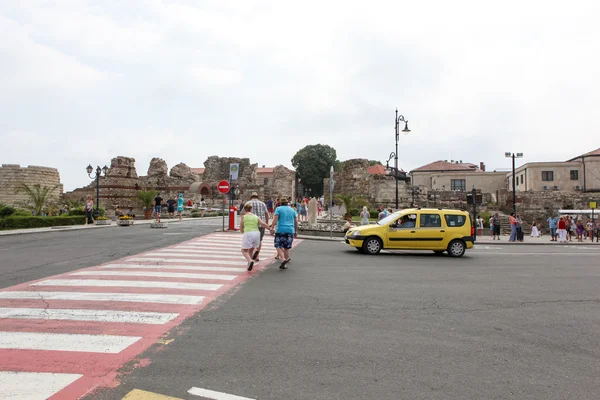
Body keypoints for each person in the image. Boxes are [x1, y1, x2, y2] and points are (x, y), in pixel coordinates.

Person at [240, 203, 272, 271]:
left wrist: (243, 232)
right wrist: (270, 229)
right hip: (257, 233)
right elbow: (263, 224)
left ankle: (250, 261)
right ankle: (249, 264)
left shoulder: (244, 217)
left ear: (245, 210)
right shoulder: (255, 216)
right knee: (251, 249)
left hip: (248, 233)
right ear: (251, 209)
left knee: (244, 250)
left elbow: (241, 227)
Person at [270, 197, 298, 269]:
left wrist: (272, 228)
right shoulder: (292, 210)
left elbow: (275, 220)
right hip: (290, 230)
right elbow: (296, 221)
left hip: (281, 229)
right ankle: (284, 263)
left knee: (277, 245)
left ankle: (282, 259)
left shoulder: (278, 209)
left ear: (280, 203)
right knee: (286, 247)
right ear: (287, 203)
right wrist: (296, 231)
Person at [243, 192, 269, 262]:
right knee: (259, 240)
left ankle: (252, 255)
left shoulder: (247, 203)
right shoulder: (263, 204)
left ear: (251, 197)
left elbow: (243, 214)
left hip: (251, 225)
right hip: (261, 225)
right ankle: (257, 255)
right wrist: (266, 223)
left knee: (250, 240)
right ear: (257, 197)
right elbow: (266, 214)